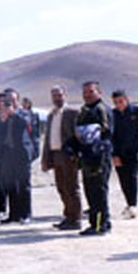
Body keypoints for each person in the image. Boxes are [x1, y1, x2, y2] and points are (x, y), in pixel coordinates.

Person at [73, 80, 114, 235]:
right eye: (85, 92)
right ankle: (95, 223)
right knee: (90, 190)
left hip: (99, 156)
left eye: (91, 92)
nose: (87, 95)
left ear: (99, 92)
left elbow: (106, 132)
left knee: (98, 191)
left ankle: (101, 225)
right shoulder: (84, 110)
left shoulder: (102, 109)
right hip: (86, 156)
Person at [41, 86, 82, 230]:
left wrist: (76, 154)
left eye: (59, 95)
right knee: (61, 187)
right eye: (54, 96)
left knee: (72, 187)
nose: (57, 98)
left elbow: (78, 136)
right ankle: (68, 216)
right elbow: (48, 138)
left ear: (65, 95)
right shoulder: (51, 115)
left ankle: (76, 218)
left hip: (68, 155)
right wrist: (46, 158)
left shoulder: (72, 113)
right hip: (55, 154)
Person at [110, 90, 138, 219]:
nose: (119, 104)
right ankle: (128, 203)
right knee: (123, 179)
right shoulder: (113, 115)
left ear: (126, 99)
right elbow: (110, 136)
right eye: (116, 102)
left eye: (121, 101)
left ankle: (133, 205)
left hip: (133, 152)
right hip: (118, 153)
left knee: (132, 177)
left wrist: (136, 141)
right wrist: (114, 154)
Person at [0, 92, 35, 224]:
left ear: (17, 100)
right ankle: (14, 214)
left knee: (23, 184)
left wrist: (14, 113)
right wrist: (3, 119)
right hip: (7, 153)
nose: (9, 102)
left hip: (21, 153)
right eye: (7, 100)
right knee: (10, 184)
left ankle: (26, 214)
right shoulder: (4, 114)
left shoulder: (24, 113)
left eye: (12, 99)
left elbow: (26, 124)